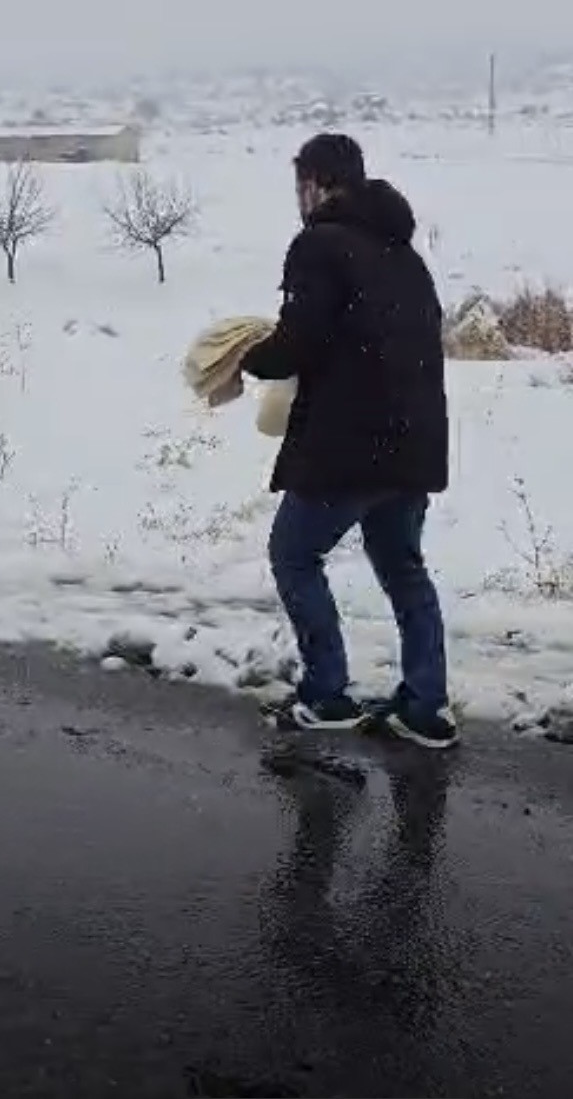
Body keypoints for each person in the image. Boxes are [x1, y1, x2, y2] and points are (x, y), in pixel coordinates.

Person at [240, 133, 456, 748]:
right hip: (414, 445)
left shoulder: (320, 245)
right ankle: (425, 706)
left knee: (293, 555)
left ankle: (327, 693)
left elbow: (299, 339)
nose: (298, 199)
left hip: (347, 447)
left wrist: (246, 359)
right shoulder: (403, 252)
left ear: (316, 183)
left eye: (300, 185)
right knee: (405, 570)